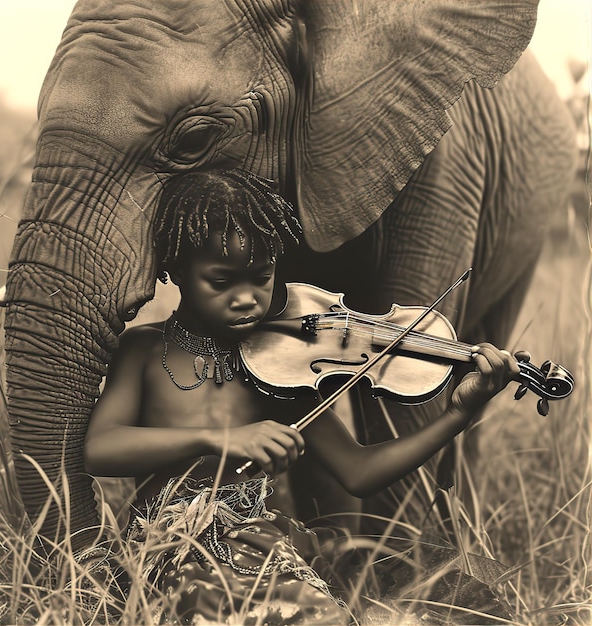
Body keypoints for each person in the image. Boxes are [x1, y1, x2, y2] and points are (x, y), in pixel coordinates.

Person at [83, 168, 520, 624]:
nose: (246, 298)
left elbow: (360, 471)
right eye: (221, 281)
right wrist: (219, 439)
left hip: (258, 540)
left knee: (406, 605)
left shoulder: (279, 363)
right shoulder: (145, 349)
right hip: (170, 544)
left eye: (261, 277)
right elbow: (100, 449)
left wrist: (457, 414)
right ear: (173, 270)